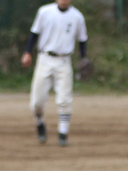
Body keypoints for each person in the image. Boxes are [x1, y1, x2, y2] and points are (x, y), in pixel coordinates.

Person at [20, 0, 88, 147]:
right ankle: (40, 123)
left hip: (64, 61)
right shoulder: (44, 12)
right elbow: (34, 33)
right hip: (44, 59)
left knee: (64, 100)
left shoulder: (77, 16)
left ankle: (63, 134)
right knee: (37, 102)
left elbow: (82, 40)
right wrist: (27, 52)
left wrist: (84, 58)